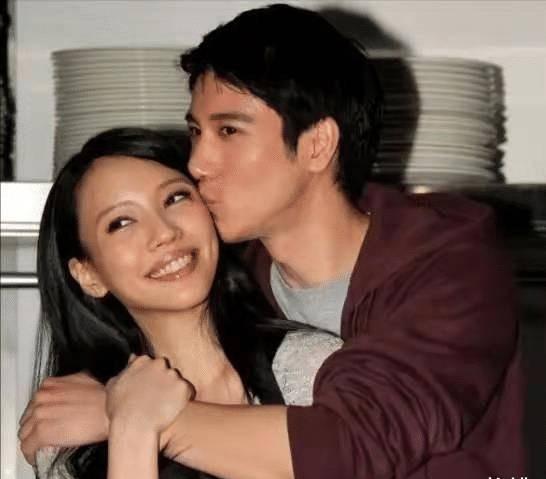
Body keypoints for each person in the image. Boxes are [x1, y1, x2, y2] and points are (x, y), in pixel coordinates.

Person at [20, 4, 526, 479]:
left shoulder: (449, 267)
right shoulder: (233, 274)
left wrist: (128, 416)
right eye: (196, 133)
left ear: (316, 145)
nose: (197, 163)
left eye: (229, 132)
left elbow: (355, 443)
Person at [19, 126, 342, 479]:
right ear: (88, 275)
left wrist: (130, 417)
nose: (164, 232)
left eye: (175, 198)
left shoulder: (315, 370)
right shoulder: (68, 437)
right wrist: (132, 428)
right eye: (121, 222)